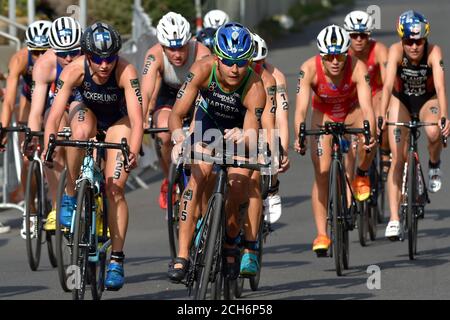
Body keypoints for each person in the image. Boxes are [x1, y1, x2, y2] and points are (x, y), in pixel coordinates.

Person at [44, 22, 143, 290]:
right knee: (78, 131)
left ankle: (116, 260)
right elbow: (54, 115)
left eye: (109, 58)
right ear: (87, 56)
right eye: (97, 58)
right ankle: (72, 192)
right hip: (87, 112)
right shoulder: (74, 69)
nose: (104, 65)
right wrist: (48, 146)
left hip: (117, 120)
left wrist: (132, 151)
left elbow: (137, 117)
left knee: (115, 188)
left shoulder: (126, 71)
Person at [167, 22, 266, 283]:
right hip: (207, 124)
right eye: (229, 62)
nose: (235, 69)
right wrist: (179, 138)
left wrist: (244, 136)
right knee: (199, 176)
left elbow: (253, 134)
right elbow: (177, 114)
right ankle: (183, 255)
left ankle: (232, 242)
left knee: (238, 185)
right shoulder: (201, 69)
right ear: (218, 58)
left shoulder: (255, 87)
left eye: (242, 63)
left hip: (239, 133)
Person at [294, 25, 376, 255]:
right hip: (324, 115)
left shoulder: (358, 67)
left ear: (346, 54)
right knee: (322, 172)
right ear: (322, 56)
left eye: (339, 56)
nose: (335, 62)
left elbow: (368, 108)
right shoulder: (308, 68)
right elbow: (300, 109)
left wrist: (370, 133)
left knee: (372, 134)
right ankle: (322, 234)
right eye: (329, 57)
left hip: (352, 111)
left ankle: (361, 173)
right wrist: (299, 134)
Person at [379, 11, 450, 240]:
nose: (414, 47)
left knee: (432, 131)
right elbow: (388, 85)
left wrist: (445, 116)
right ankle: (394, 219)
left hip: (427, 99)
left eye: (418, 41)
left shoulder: (433, 51)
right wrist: (381, 114)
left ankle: (434, 162)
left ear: (425, 39)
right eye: (409, 41)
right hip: (401, 99)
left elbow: (440, 87)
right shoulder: (395, 51)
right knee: (397, 158)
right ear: (402, 40)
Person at [140, 12, 210, 210]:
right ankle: (169, 177)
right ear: (162, 46)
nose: (177, 54)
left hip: (197, 95)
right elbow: (145, 93)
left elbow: (206, 94)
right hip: (169, 95)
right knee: (163, 132)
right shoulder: (153, 55)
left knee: (198, 137)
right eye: (171, 49)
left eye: (181, 47)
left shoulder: (202, 53)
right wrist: (143, 119)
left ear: (189, 42)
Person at [27, 16, 83, 231]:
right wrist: (34, 138)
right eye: (62, 53)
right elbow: (36, 112)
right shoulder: (44, 64)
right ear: (53, 50)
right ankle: (59, 205)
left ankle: (96, 196)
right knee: (52, 142)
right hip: (60, 105)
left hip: (85, 102)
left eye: (73, 52)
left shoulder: (90, 58)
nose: (69, 58)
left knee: (88, 136)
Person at [0, 20, 51, 207]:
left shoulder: (61, 59)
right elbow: (8, 100)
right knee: (27, 159)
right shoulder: (20, 59)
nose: (39, 57)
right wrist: (3, 128)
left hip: (53, 100)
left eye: (44, 51)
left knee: (57, 153)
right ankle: (30, 211)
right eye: (35, 52)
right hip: (29, 101)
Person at [344, 10, 390, 180]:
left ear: (369, 35)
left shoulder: (379, 49)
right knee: (351, 145)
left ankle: (385, 152)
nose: (358, 39)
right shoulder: (343, 54)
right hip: (354, 99)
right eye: (354, 35)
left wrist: (383, 111)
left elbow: (387, 84)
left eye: (363, 35)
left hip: (376, 94)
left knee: (382, 117)